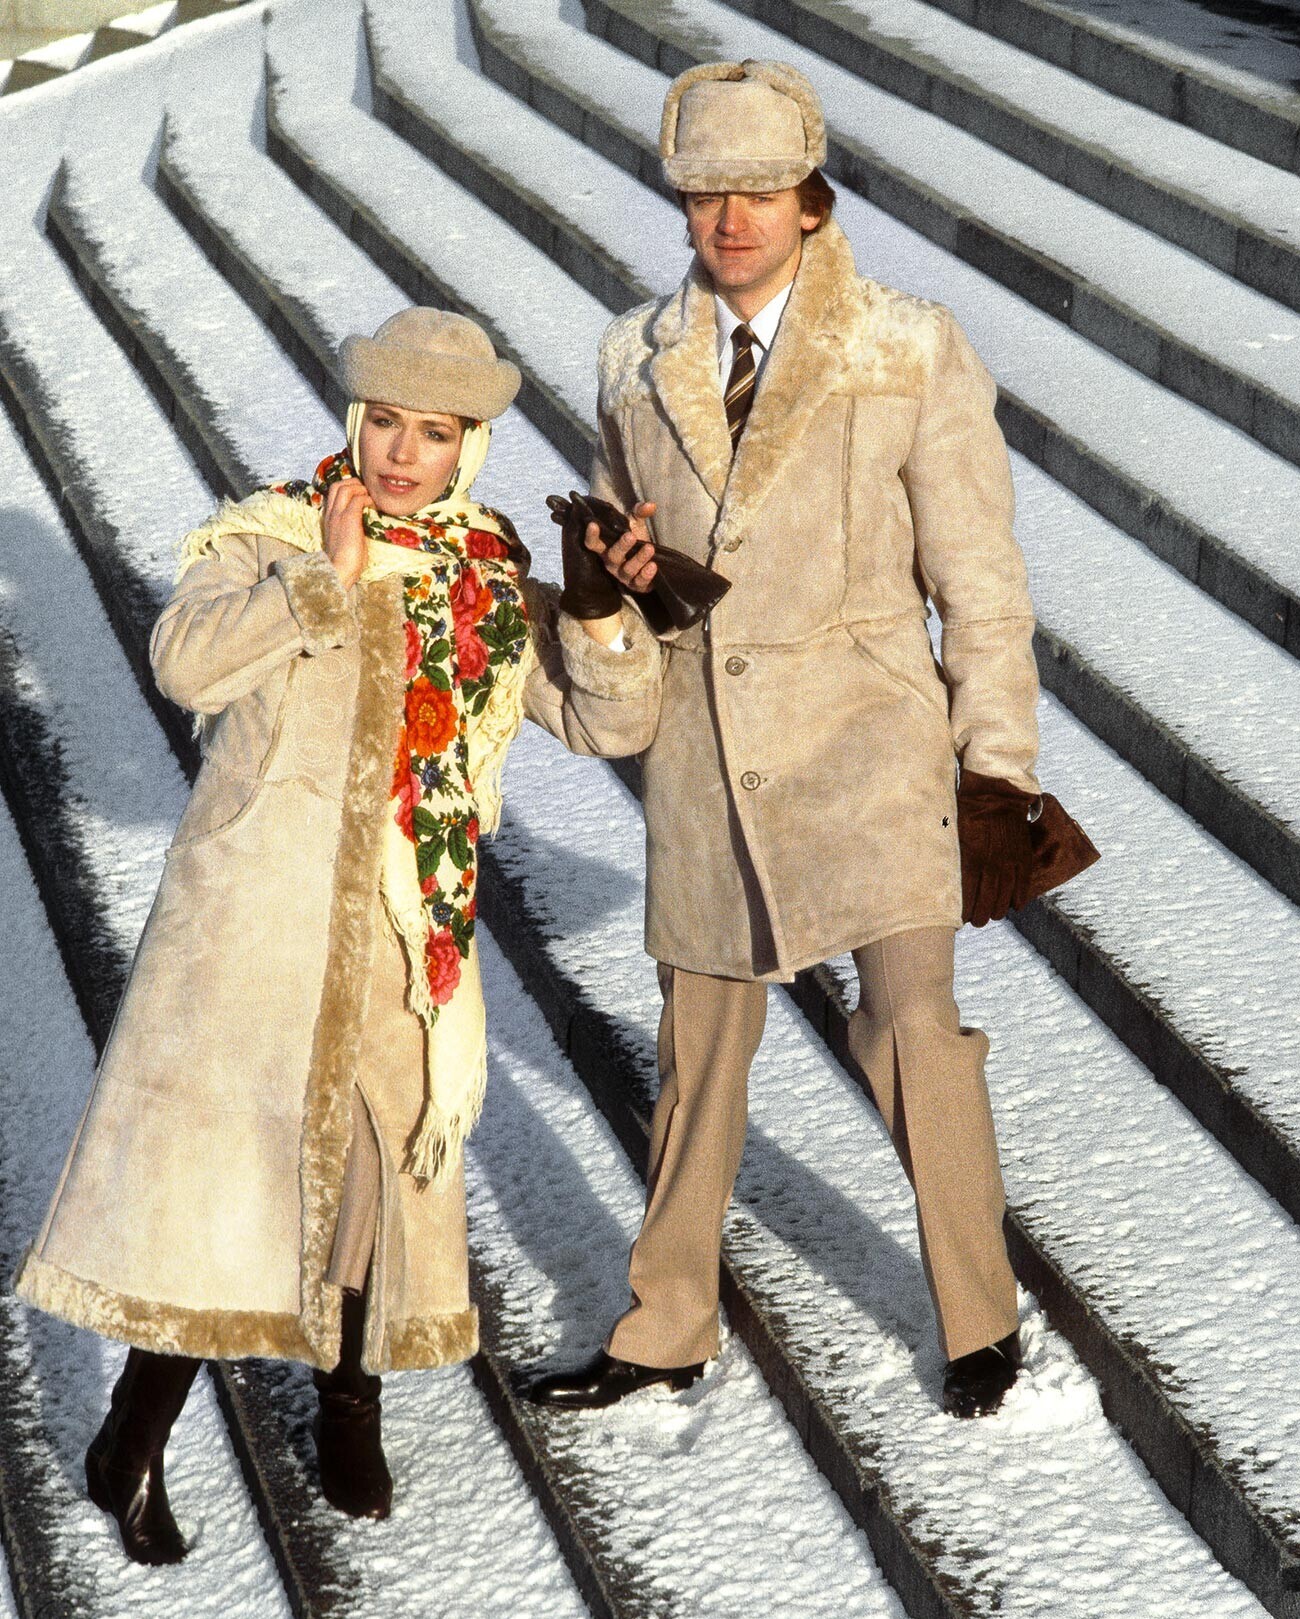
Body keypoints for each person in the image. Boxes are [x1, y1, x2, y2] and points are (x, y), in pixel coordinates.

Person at [10, 308, 659, 1562]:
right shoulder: (275, 530)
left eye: (433, 430)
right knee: (220, 1187)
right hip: (254, 923)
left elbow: (606, 725)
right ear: (354, 419)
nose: (402, 452)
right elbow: (185, 663)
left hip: (409, 942)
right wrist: (325, 580)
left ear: (467, 441)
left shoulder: (481, 571)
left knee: (373, 1177)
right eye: (384, 422)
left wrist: (593, 616)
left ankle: (347, 1403)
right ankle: (130, 1437)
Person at [527, 59, 1051, 1420]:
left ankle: (980, 1315)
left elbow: (979, 577)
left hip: (875, 736)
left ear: (810, 200)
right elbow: (628, 573)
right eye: (707, 192)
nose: (731, 217)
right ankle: (664, 1325)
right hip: (705, 752)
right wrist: (616, 587)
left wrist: (997, 766)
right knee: (700, 1046)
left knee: (916, 1028)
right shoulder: (632, 359)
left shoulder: (906, 343)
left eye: (758, 189)